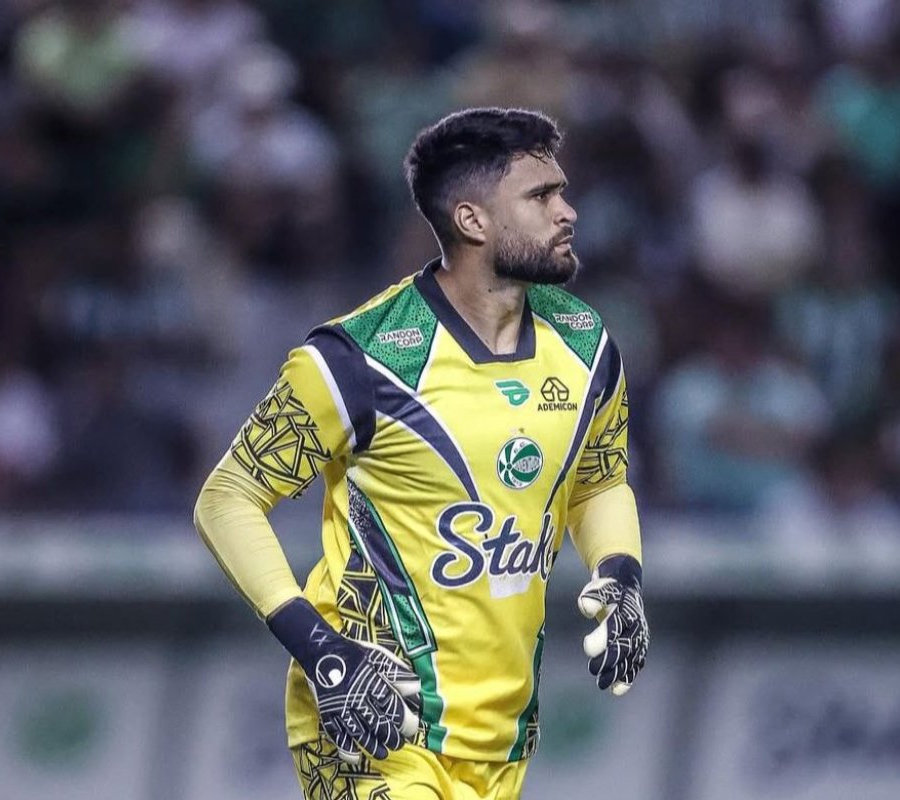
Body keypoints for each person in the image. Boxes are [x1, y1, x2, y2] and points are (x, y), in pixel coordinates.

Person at [194, 107, 648, 799]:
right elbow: (228, 497)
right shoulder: (359, 359)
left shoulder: (585, 346)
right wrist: (322, 651)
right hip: (372, 718)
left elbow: (597, 481)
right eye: (541, 197)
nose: (569, 212)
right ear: (472, 222)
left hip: (499, 735)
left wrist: (620, 573)